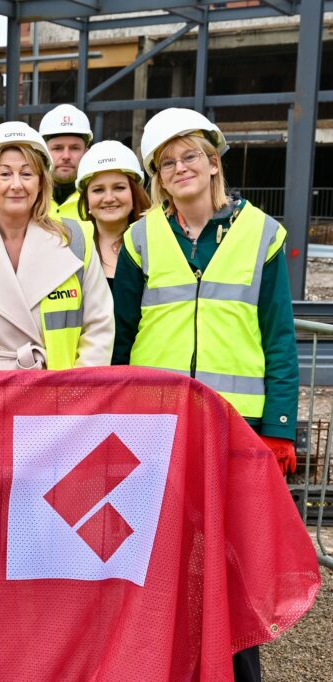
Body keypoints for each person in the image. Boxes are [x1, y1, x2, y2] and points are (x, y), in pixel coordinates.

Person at [112, 105, 297, 682]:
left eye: (189, 155)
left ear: (214, 162)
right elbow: (121, 339)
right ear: (158, 179)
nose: (179, 168)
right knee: (161, 556)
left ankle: (237, 668)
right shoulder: (141, 240)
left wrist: (281, 427)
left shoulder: (262, 235)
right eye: (167, 163)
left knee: (229, 559)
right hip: (158, 425)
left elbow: (280, 339)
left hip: (233, 426)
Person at [0, 121, 113, 370]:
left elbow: (99, 328)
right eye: (5, 173)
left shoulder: (76, 240)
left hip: (59, 395)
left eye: (27, 174)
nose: (16, 185)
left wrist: (77, 393)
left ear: (41, 182)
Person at [75, 140, 151, 286]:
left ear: (134, 193)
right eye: (98, 190)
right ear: (87, 198)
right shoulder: (72, 248)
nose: (109, 198)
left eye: (119, 188)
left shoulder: (156, 241)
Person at [39, 104, 93, 221]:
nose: (66, 156)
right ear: (43, 153)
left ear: (86, 153)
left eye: (74, 148)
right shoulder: (29, 199)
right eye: (57, 148)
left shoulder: (98, 201)